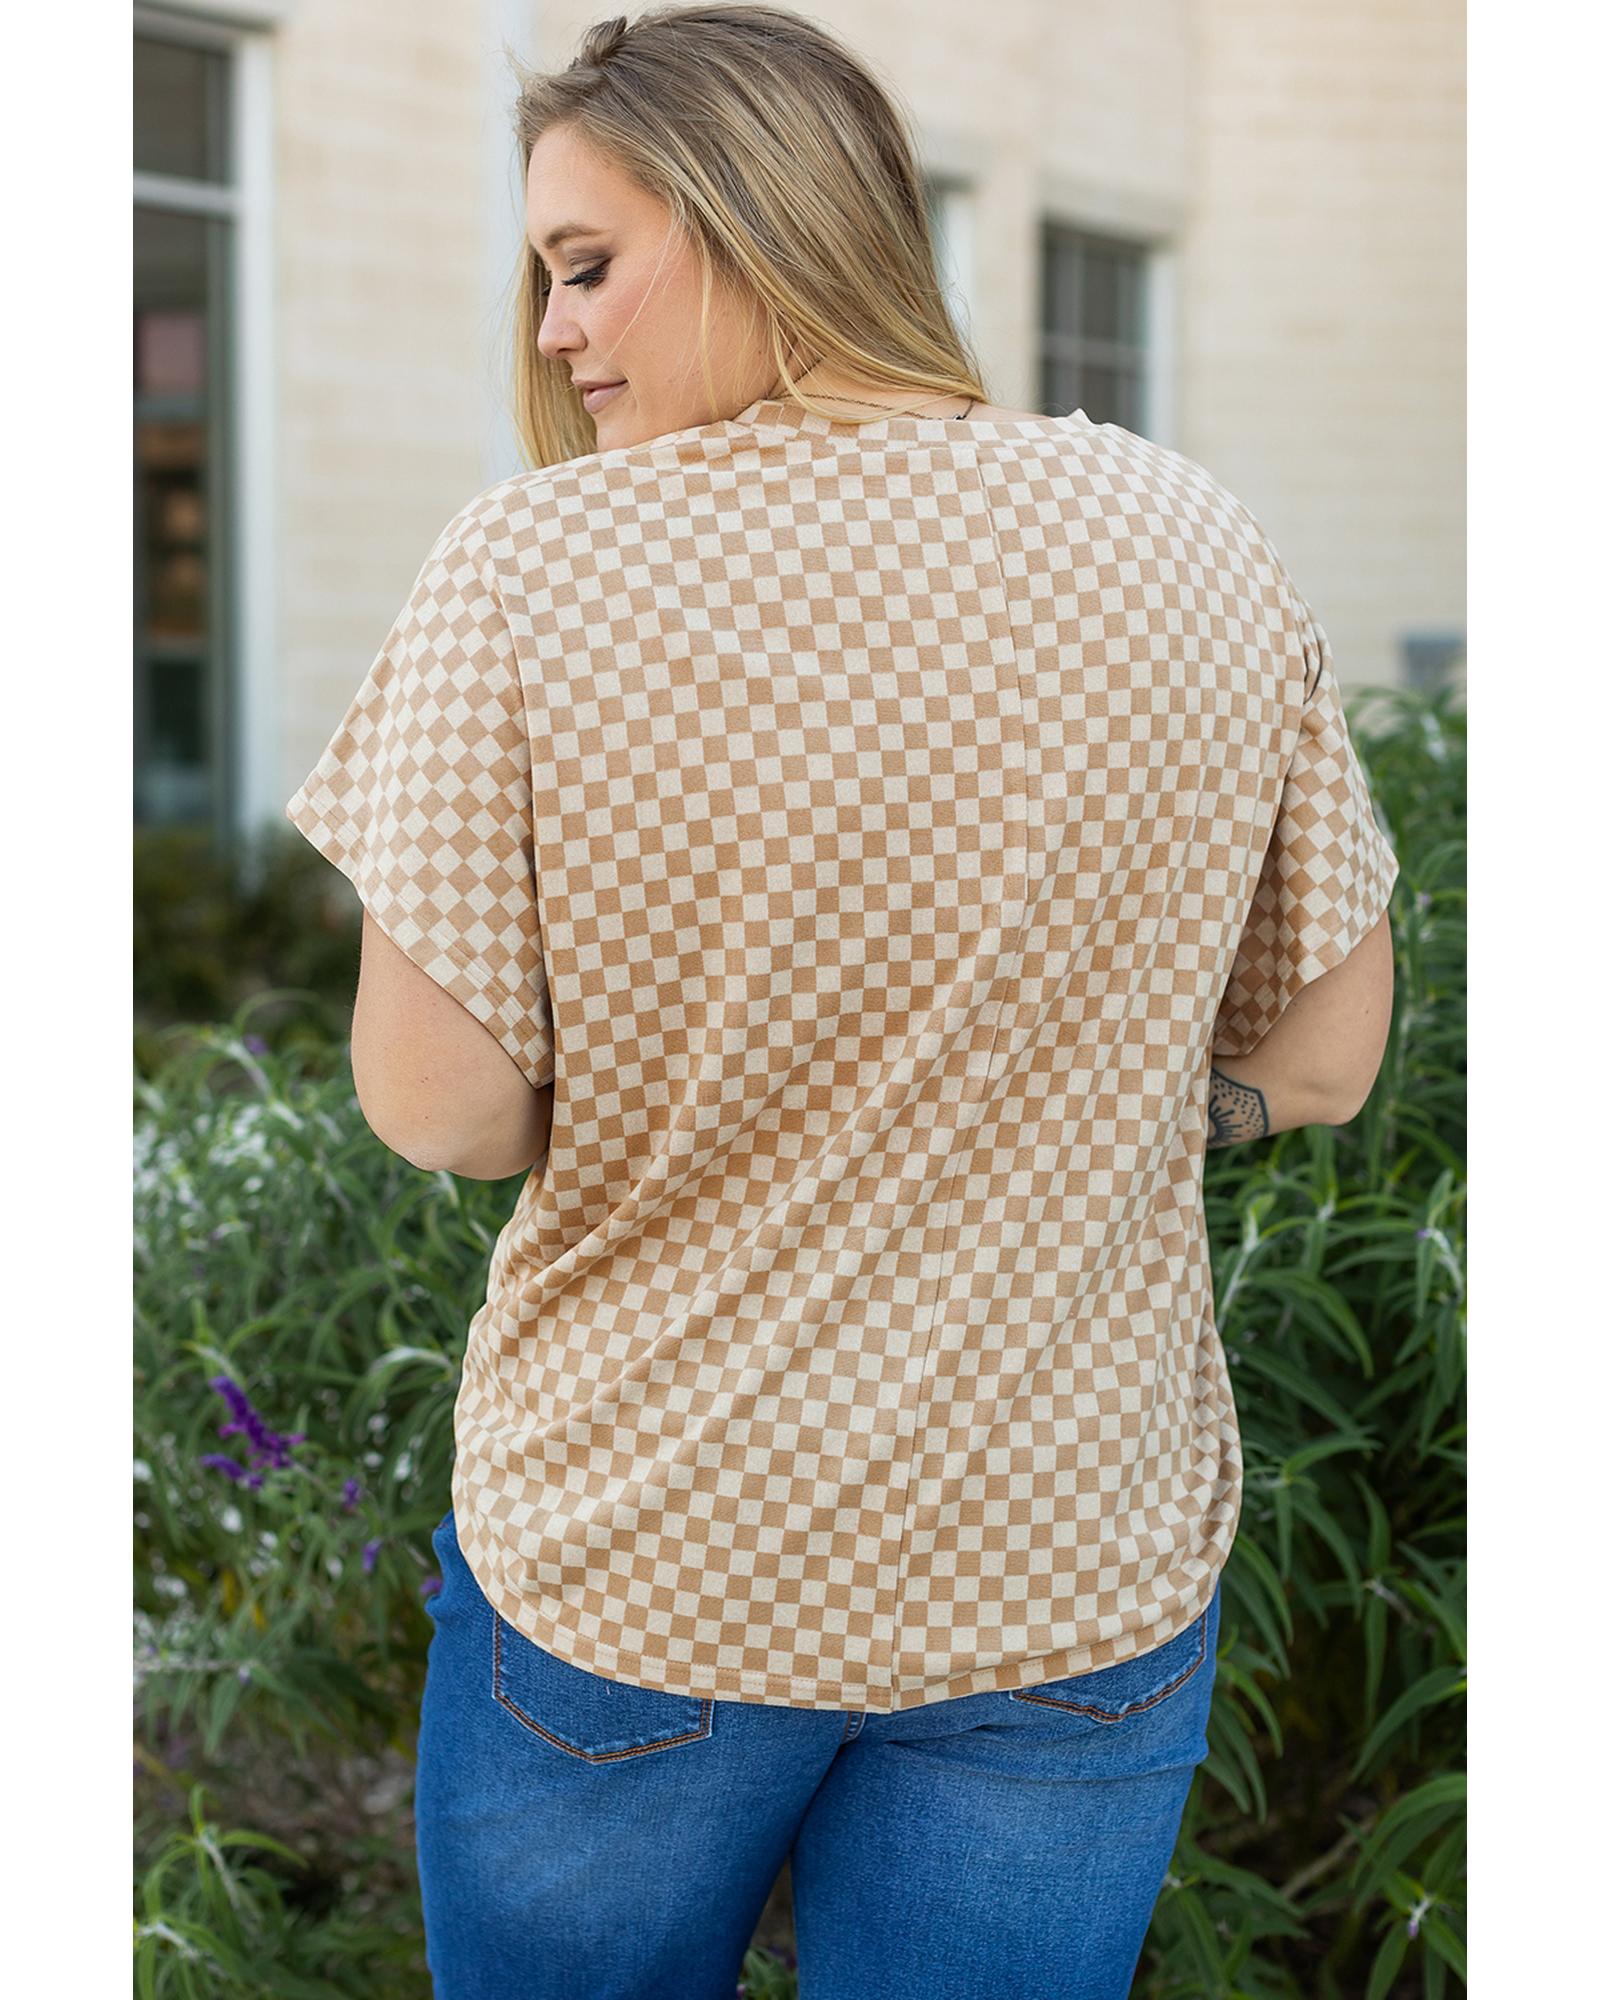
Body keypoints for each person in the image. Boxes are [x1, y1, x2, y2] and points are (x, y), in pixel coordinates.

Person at [283, 8, 1401, 1997]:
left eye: (584, 263)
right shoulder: (1186, 533)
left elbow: (442, 1110)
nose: (553, 329)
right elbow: (1321, 1056)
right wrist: (1136, 1103)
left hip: (646, 1560)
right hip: (1063, 1557)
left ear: (751, 216)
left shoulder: (532, 567)